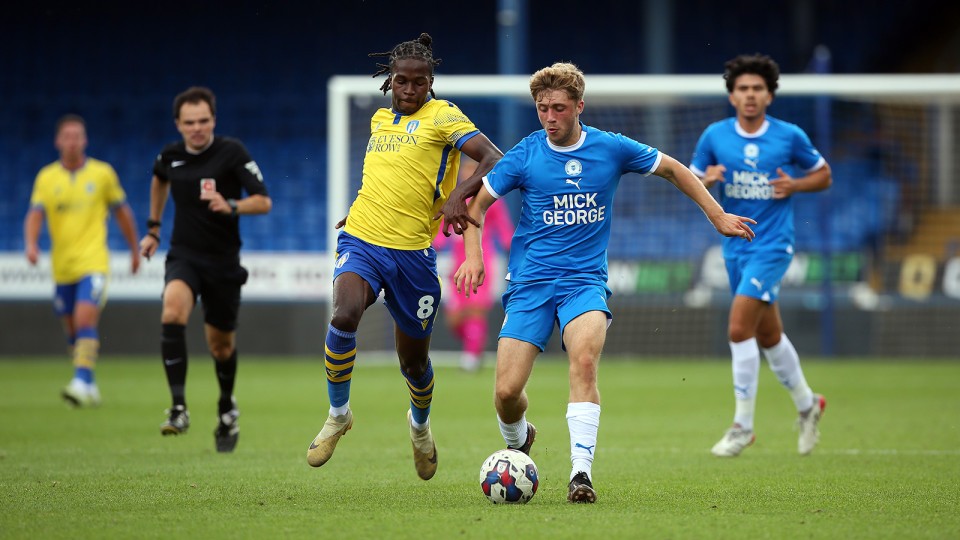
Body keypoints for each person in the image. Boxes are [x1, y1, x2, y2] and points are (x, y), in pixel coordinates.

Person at [453, 62, 756, 503]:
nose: (550, 117)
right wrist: (474, 259)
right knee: (505, 392)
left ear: (579, 106)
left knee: (585, 362)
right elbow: (474, 209)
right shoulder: (525, 154)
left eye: (558, 107)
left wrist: (717, 215)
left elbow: (672, 168)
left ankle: (581, 474)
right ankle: (520, 440)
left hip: (584, 282)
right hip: (531, 284)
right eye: (542, 108)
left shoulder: (611, 148)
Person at [305, 32, 503, 480]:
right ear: (389, 82)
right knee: (345, 315)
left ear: (430, 83)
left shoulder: (444, 117)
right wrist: (358, 208)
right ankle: (339, 415)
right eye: (401, 82)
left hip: (413, 256)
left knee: (413, 362)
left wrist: (459, 196)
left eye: (418, 83)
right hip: (362, 239)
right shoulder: (379, 121)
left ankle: (419, 427)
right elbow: (387, 175)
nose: (409, 90)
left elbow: (493, 157)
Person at [689, 54, 832, 458]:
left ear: (769, 95)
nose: (750, 95)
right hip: (735, 247)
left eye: (757, 89)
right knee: (768, 335)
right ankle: (808, 405)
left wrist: (797, 185)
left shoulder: (789, 136)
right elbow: (689, 176)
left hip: (772, 246)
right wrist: (706, 179)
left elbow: (825, 174)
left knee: (738, 329)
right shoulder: (715, 136)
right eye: (743, 89)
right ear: (732, 96)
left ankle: (742, 426)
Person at [139, 86, 272, 453]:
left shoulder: (232, 152)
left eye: (203, 121)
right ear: (178, 125)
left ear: (213, 120)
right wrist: (153, 228)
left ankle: (226, 407)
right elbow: (159, 178)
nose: (197, 128)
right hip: (183, 255)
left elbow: (263, 201)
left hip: (223, 263)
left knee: (221, 346)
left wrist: (230, 204)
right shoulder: (170, 155)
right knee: (172, 310)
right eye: (189, 122)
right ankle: (178, 407)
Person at [24, 114, 141, 407]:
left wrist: (134, 249)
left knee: (84, 317)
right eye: (68, 136)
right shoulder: (46, 177)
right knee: (73, 329)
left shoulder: (102, 174)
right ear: (58, 141)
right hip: (62, 266)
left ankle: (79, 381)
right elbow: (35, 213)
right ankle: (88, 382)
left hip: (94, 261)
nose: (73, 141)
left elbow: (122, 212)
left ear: (85, 140)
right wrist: (31, 244)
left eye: (78, 136)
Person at [434, 159, 514, 372]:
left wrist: (511, 246)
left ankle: (471, 357)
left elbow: (504, 230)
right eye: (466, 173)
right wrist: (435, 243)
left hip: (482, 260)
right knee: (454, 319)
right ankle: (475, 340)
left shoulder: (491, 201)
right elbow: (443, 231)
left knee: (476, 309)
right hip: (456, 265)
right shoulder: (454, 200)